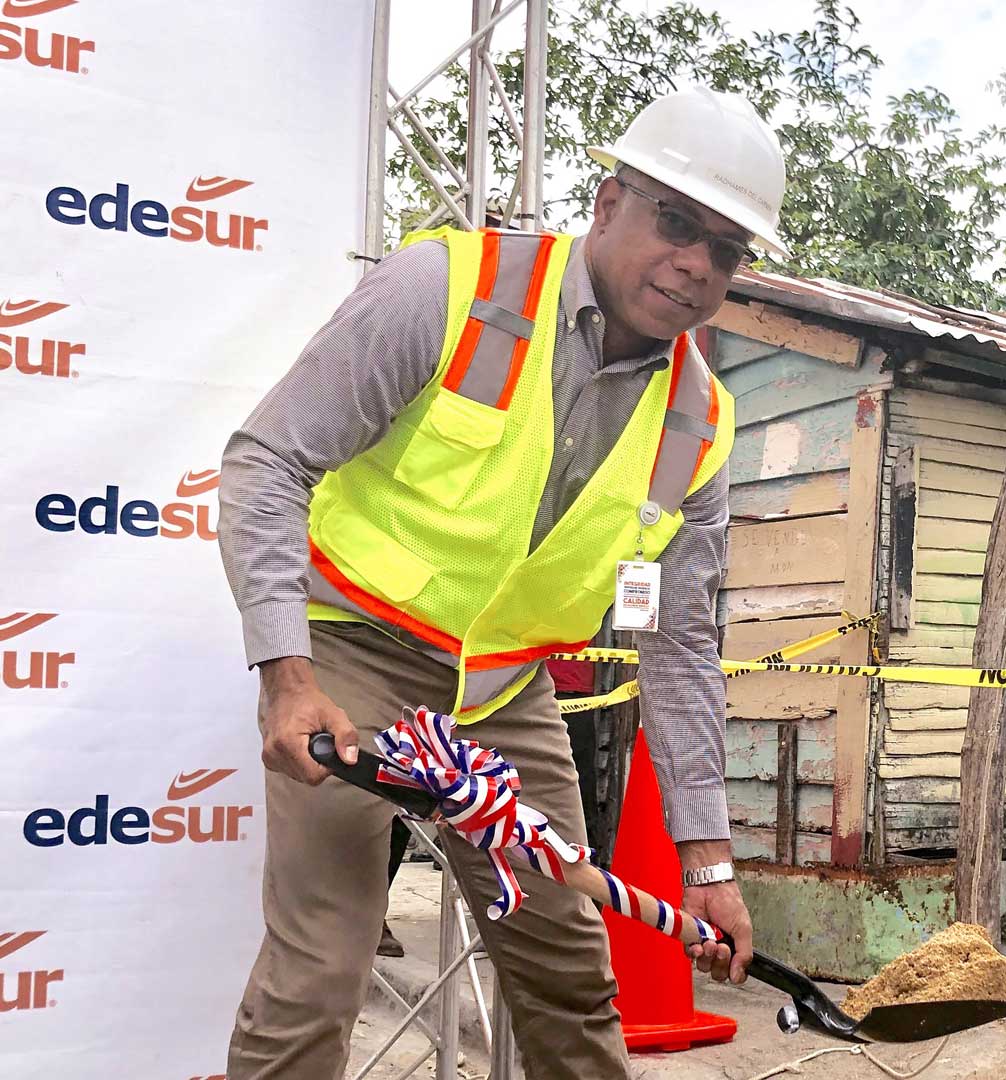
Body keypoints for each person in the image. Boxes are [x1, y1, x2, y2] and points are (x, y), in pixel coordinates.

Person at [217, 86, 784, 1078]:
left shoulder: (701, 424)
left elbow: (680, 641)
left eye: (726, 248)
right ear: (608, 205)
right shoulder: (446, 287)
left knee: (568, 968)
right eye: (675, 220)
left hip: (503, 693)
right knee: (320, 969)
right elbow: (268, 460)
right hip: (354, 649)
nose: (695, 262)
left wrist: (710, 862)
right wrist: (287, 674)